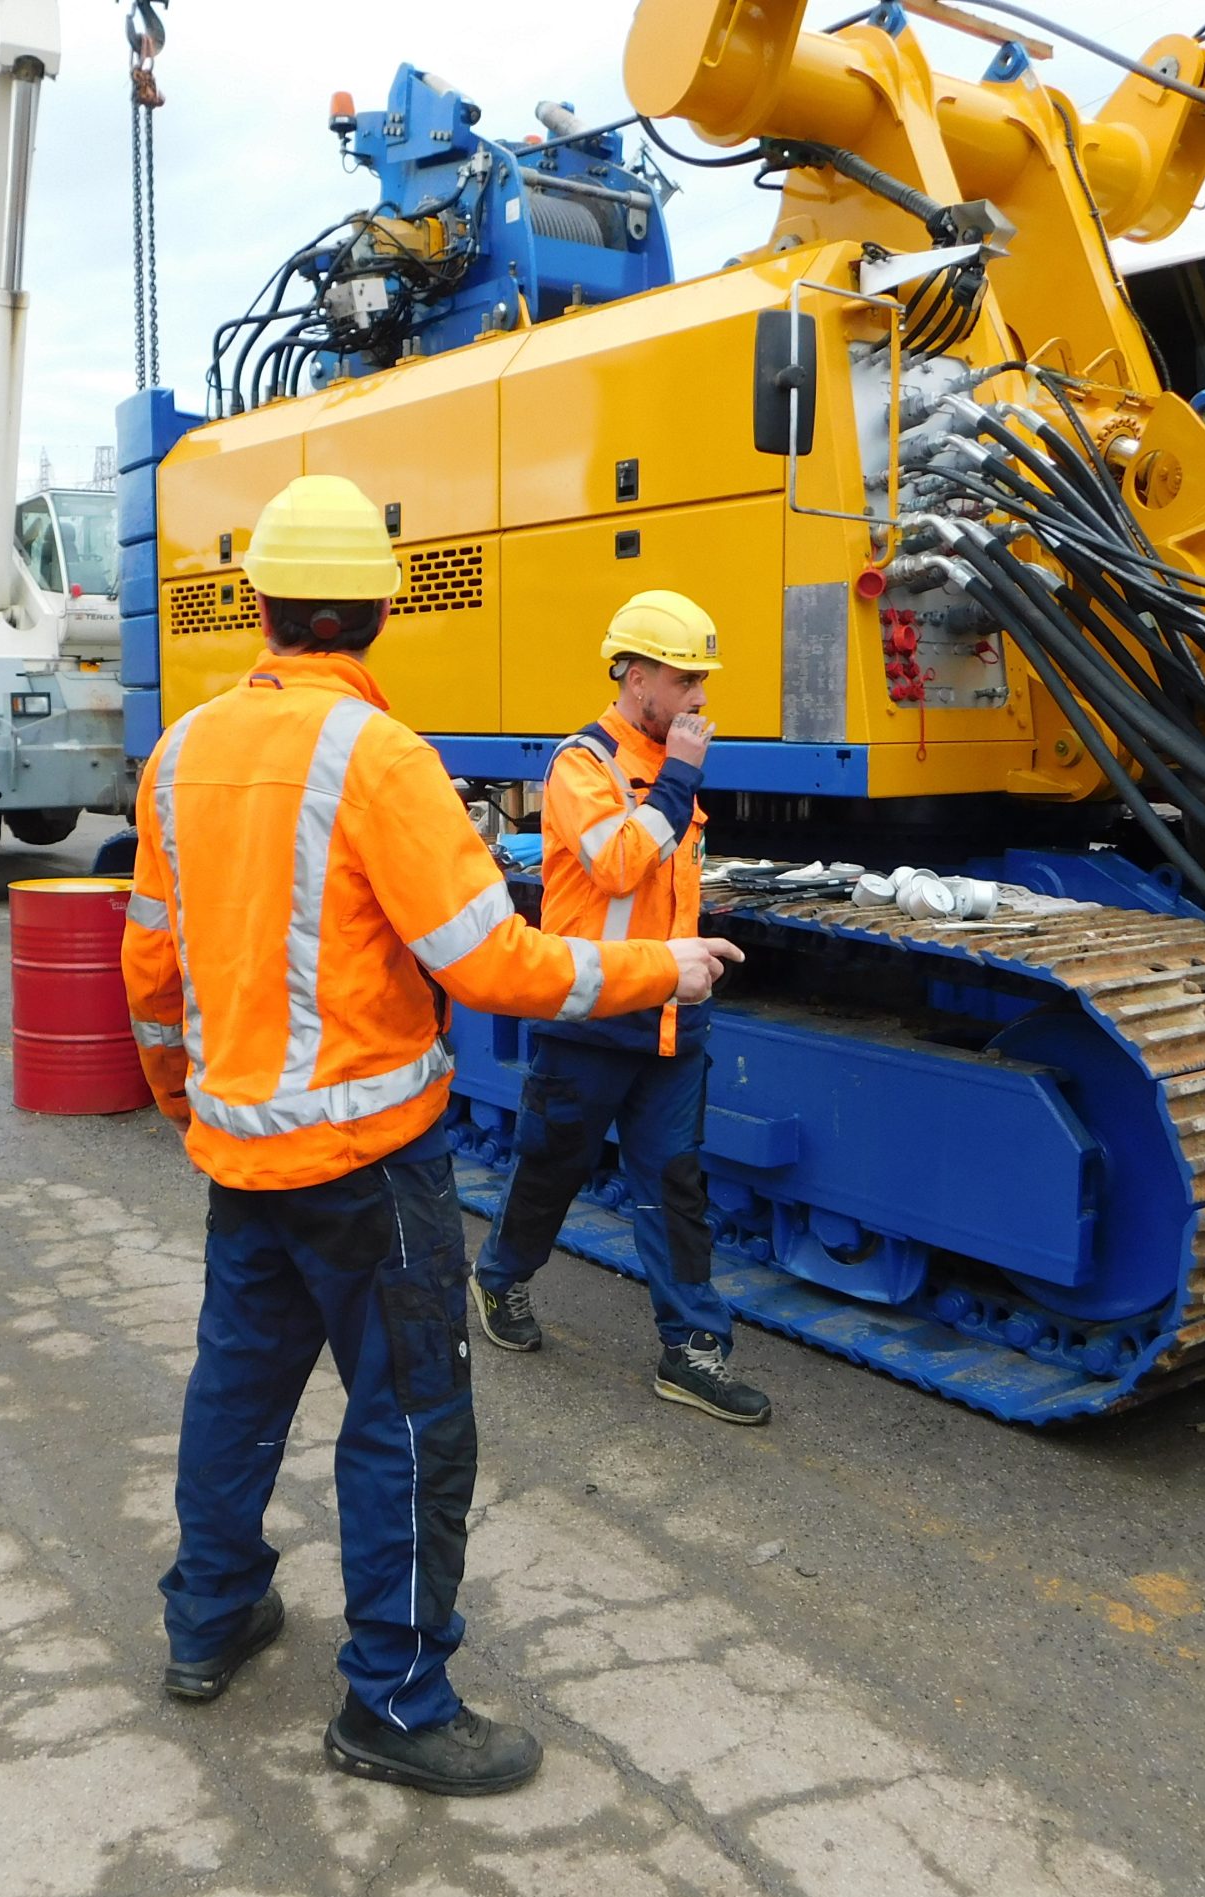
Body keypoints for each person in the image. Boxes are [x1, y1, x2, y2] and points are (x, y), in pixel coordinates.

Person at [121, 477, 742, 1797]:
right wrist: (664, 971)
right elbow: (494, 963)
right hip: (369, 1170)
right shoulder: (377, 757)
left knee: (234, 1398)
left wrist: (190, 1108)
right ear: (388, 608)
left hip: (246, 1160)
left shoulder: (179, 754)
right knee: (409, 1424)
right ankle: (395, 1702)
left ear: (257, 604)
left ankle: (210, 1617)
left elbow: (149, 971)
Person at [469, 591, 771, 1425]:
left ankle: (692, 1350)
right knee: (551, 1165)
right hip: (594, 1015)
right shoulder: (581, 766)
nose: (701, 698)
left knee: (674, 1184)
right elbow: (617, 865)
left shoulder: (670, 767)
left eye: (702, 680)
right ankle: (499, 1283)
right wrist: (678, 778)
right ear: (638, 677)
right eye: (686, 679)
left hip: (672, 1016)